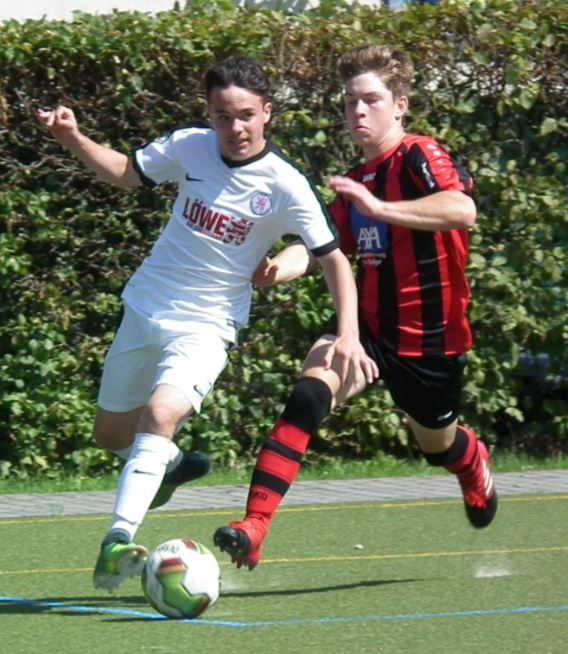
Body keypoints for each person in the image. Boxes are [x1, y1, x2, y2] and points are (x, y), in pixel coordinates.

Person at [37, 54, 376, 591]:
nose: (235, 128)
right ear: (210, 115)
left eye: (246, 115)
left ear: (267, 113)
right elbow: (126, 173)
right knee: (111, 434)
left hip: (208, 324)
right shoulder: (190, 146)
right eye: (223, 116)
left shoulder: (286, 184)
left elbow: (332, 259)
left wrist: (349, 334)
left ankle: (116, 543)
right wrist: (72, 138)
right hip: (146, 305)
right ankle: (169, 467)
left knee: (160, 413)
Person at [213, 44, 498, 571]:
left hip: (429, 338)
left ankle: (469, 459)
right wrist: (278, 267)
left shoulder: (419, 155)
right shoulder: (354, 183)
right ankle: (253, 527)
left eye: (371, 100)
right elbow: (322, 246)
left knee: (437, 445)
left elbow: (462, 209)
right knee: (307, 397)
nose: (358, 111)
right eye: (350, 102)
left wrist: (382, 208)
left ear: (400, 105)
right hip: (364, 326)